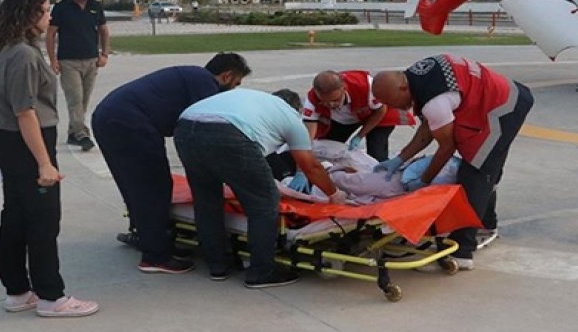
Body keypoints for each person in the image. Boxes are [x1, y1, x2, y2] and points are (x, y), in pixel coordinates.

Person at [0, 0, 98, 318]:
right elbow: (25, 112)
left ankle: (18, 291)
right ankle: (51, 297)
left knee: (16, 217)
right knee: (43, 221)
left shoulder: (0, 48)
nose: (50, 16)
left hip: (6, 141)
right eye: (46, 10)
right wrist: (44, 163)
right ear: (29, 15)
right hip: (28, 142)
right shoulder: (22, 54)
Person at [91, 53, 251, 274]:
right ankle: (155, 256)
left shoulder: (192, 76)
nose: (233, 91)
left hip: (107, 117)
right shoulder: (205, 86)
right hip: (131, 123)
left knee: (133, 183)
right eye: (235, 84)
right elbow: (207, 130)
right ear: (227, 76)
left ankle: (146, 236)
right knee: (154, 186)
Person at [371, 54, 534, 270]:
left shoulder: (434, 101)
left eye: (394, 103)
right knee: (485, 168)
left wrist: (425, 179)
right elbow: (429, 127)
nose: (398, 109)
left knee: (475, 173)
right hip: (502, 95)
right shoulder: (415, 78)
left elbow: (446, 147)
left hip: (504, 107)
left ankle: (462, 252)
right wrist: (401, 158)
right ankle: (486, 223)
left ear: (402, 89)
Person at [174, 88, 345, 288]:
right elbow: (311, 166)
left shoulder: (255, 101)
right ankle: (262, 272)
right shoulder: (291, 118)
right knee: (263, 205)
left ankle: (217, 265)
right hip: (229, 134)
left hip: (185, 129)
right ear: (296, 109)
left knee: (207, 200)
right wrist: (333, 193)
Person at [46, 0, 110, 152]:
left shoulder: (95, 7)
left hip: (91, 60)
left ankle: (72, 133)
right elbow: (50, 34)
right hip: (68, 61)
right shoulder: (61, 8)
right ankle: (82, 135)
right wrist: (53, 59)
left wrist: (104, 54)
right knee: (75, 99)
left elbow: (104, 31)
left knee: (83, 101)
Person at [303, 69, 416, 162]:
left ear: (344, 88)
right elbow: (307, 140)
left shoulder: (367, 87)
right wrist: (302, 170)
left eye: (335, 100)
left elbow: (380, 111)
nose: (331, 105)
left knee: (376, 154)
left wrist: (360, 135)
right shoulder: (312, 100)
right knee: (327, 148)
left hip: (374, 113)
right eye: (325, 102)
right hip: (343, 118)